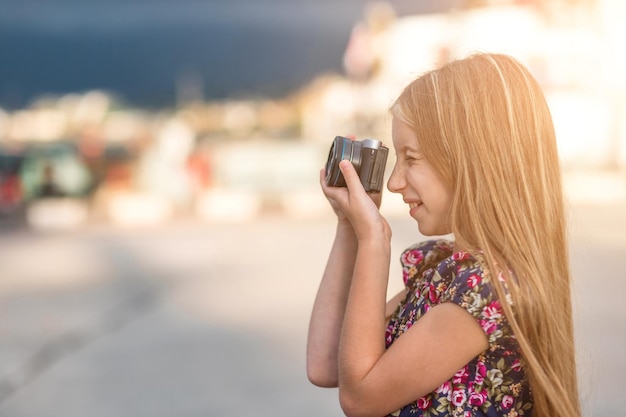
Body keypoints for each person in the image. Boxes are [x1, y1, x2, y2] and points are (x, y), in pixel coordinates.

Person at [306, 53, 581, 417]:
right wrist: (349, 225)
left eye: (412, 159)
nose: (394, 182)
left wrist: (376, 241)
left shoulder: (486, 290)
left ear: (473, 159)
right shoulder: (445, 271)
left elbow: (360, 399)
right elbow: (326, 364)